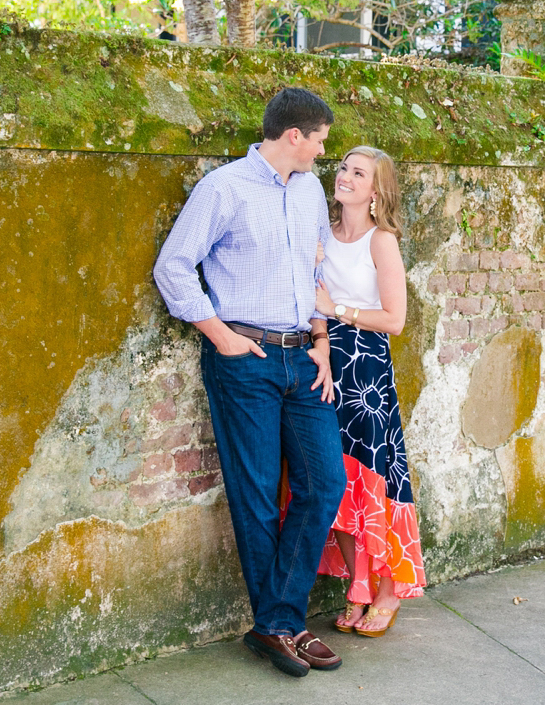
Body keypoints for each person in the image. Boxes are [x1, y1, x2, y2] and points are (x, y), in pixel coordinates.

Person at [152, 88, 346, 678]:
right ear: (295, 136)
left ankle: (277, 622)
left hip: (301, 357)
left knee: (324, 484)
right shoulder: (224, 188)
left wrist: (321, 342)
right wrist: (221, 336)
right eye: (319, 140)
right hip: (246, 359)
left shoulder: (309, 189)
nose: (322, 153)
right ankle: (284, 626)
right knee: (257, 496)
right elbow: (173, 267)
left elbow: (315, 267)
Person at [314, 145, 426, 637]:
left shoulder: (381, 242)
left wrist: (337, 310)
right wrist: (321, 330)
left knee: (371, 483)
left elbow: (395, 320)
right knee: (330, 482)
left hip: (365, 372)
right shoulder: (322, 232)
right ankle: (355, 589)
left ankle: (383, 592)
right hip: (322, 364)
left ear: (376, 192)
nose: (345, 177)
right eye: (342, 168)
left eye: (358, 173)